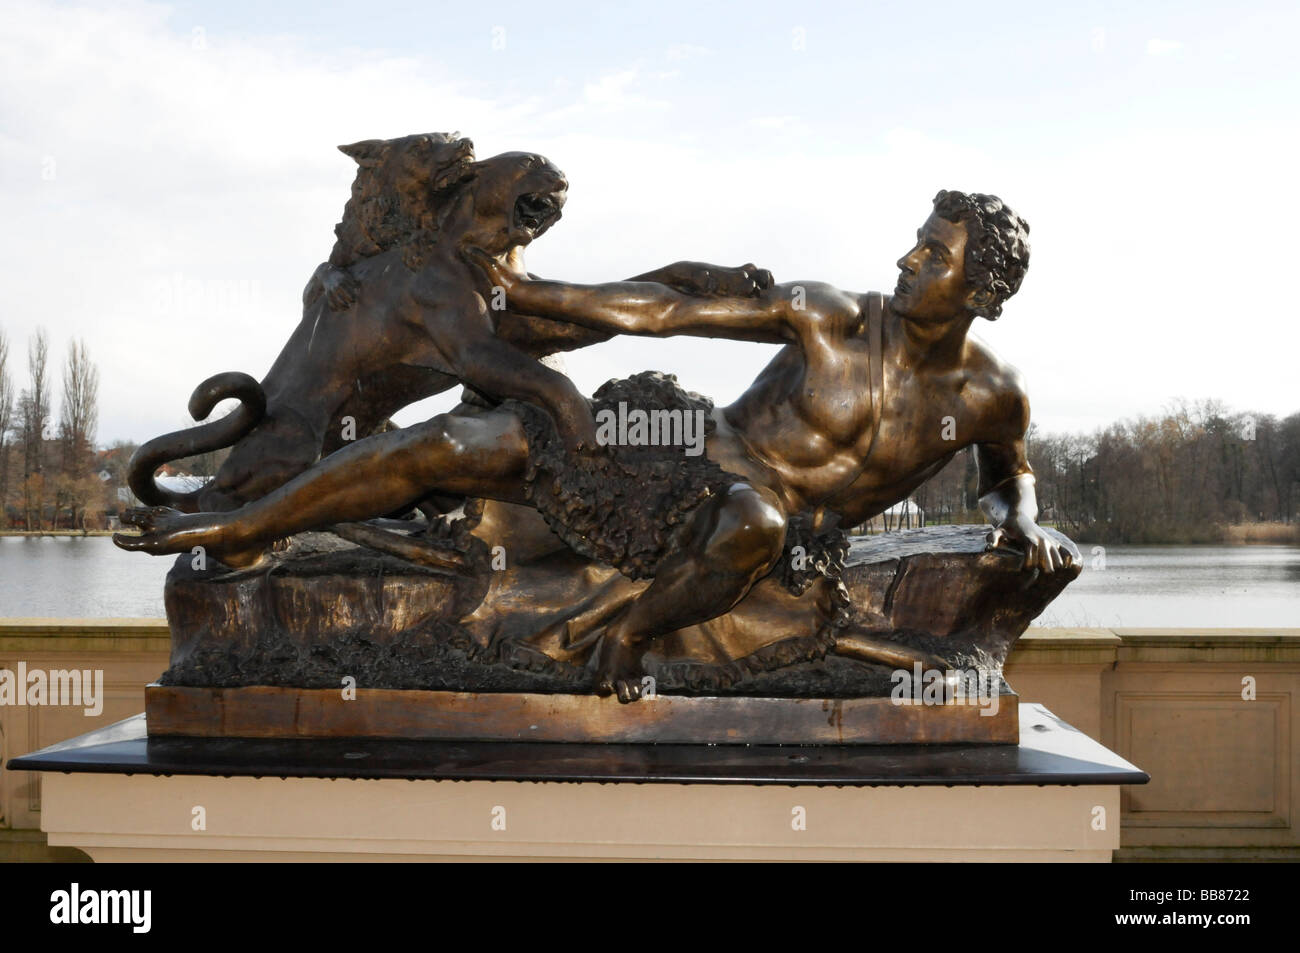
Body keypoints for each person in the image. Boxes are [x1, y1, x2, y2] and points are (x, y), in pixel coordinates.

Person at [116, 189, 1070, 701]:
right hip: (686, 447)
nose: (907, 258)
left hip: (765, 526)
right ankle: (239, 522)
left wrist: (1022, 520)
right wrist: (530, 295)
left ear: (981, 293)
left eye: (934, 254)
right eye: (915, 240)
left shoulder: (993, 394)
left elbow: (1007, 478)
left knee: (754, 523)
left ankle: (629, 637)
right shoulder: (829, 317)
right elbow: (666, 311)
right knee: (462, 440)